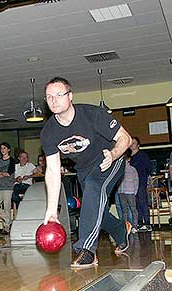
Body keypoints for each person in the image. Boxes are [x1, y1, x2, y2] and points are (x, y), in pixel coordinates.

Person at [40, 77, 132, 268]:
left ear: (70, 96)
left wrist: (114, 154)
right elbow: (52, 171)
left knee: (93, 188)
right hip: (84, 169)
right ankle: (122, 230)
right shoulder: (49, 132)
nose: (54, 100)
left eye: (59, 95)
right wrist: (51, 210)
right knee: (95, 209)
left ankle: (87, 250)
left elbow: (126, 138)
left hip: (109, 159)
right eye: (49, 97)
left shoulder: (93, 114)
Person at [129, 136, 152, 232]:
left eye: (134, 143)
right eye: (131, 143)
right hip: (131, 182)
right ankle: (139, 223)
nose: (132, 145)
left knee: (143, 202)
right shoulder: (128, 157)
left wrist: (144, 179)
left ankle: (147, 224)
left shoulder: (142, 155)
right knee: (136, 203)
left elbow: (148, 168)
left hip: (141, 181)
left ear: (138, 145)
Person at [0, 142, 15, 234]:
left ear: (8, 150)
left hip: (8, 187)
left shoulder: (12, 161)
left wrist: (0, 174)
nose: (2, 150)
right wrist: (2, 174)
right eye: (1, 148)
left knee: (7, 208)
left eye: (4, 148)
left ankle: (6, 228)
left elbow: (9, 173)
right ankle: (9, 221)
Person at [118, 150, 139, 233]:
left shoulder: (132, 169)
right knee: (124, 210)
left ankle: (135, 226)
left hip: (130, 192)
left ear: (128, 160)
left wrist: (135, 191)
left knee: (133, 209)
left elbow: (136, 180)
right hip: (121, 192)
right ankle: (126, 226)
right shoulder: (119, 170)